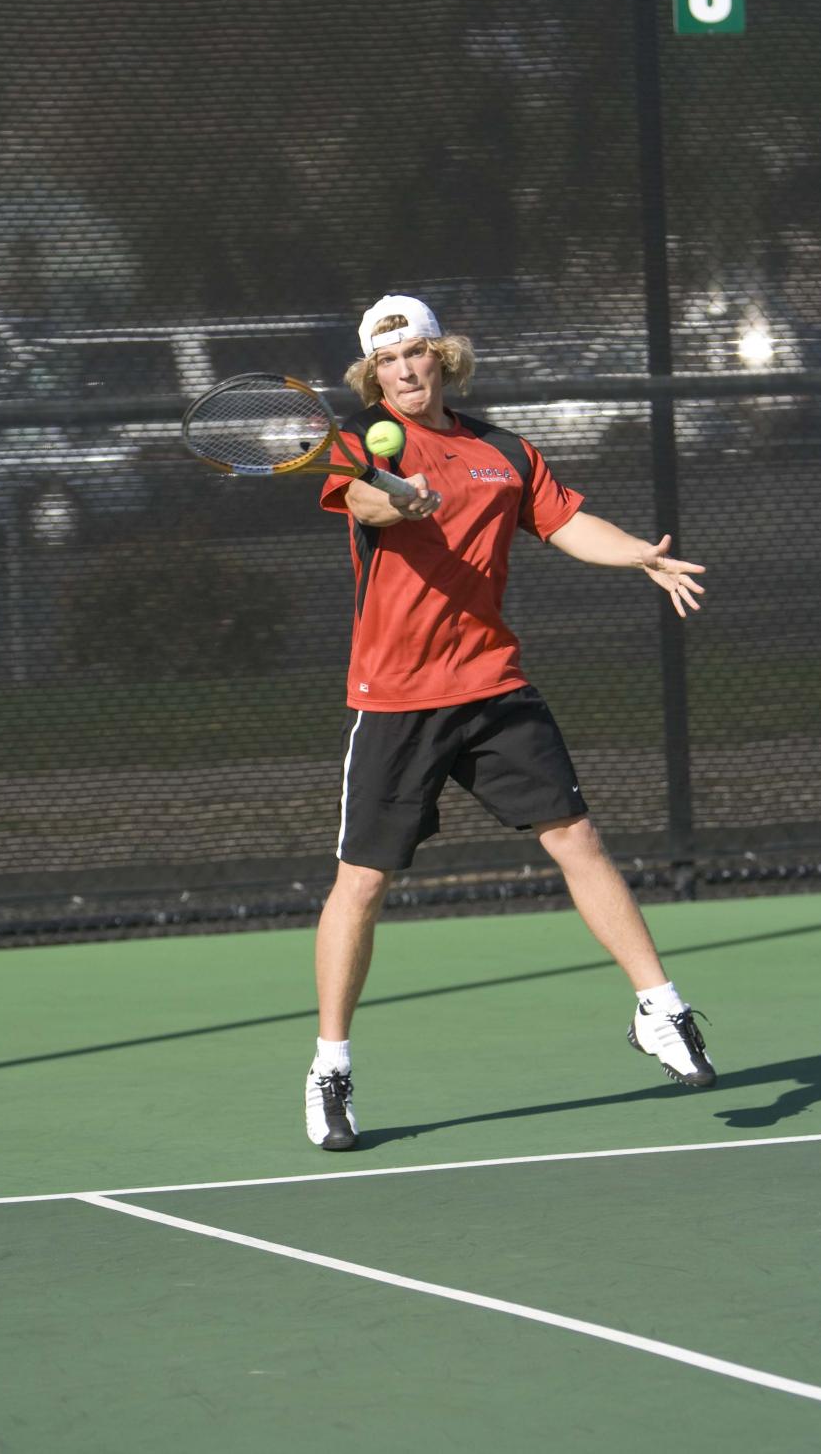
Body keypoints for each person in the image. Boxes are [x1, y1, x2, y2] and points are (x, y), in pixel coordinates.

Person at [306, 293, 714, 1151]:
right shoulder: (357, 446)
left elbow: (566, 522)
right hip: (396, 697)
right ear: (371, 375)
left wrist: (637, 552)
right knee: (363, 884)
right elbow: (366, 506)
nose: (404, 371)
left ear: (441, 356)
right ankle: (330, 1067)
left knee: (576, 838)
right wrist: (399, 498)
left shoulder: (502, 449)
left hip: (492, 684)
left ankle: (659, 1009)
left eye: (415, 353)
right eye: (386, 361)